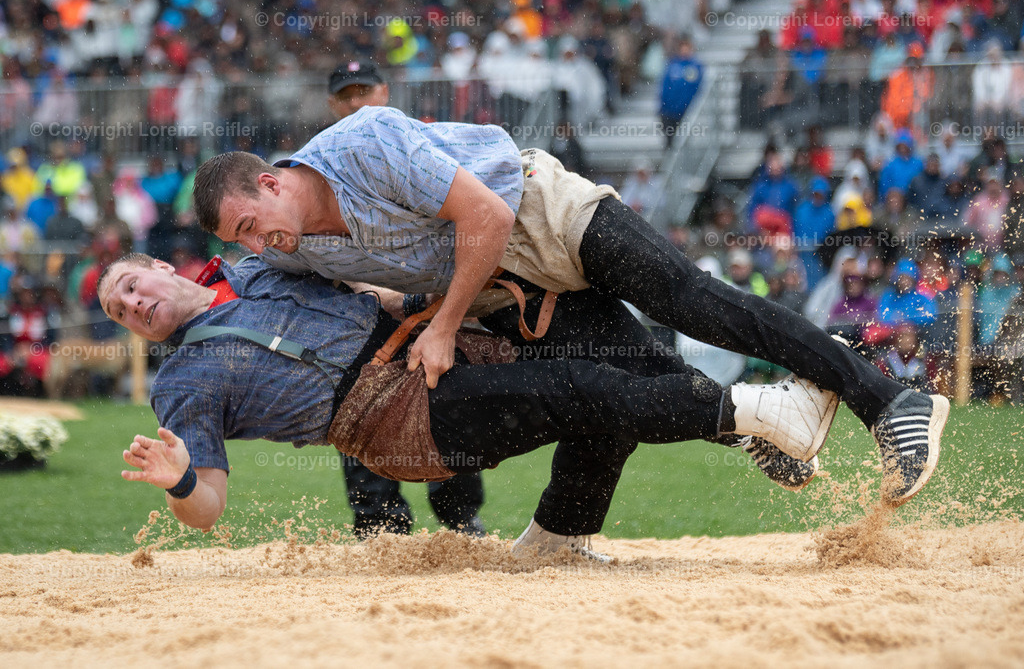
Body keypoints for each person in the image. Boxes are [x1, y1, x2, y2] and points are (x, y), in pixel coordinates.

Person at [192, 105, 949, 506]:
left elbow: (484, 217)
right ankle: (757, 430)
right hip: (496, 280)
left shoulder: (362, 142)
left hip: (534, 209)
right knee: (637, 368)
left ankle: (891, 401)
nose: (260, 245)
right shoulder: (292, 247)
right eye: (243, 242)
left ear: (267, 181)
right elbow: (366, 281)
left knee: (699, 303)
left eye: (253, 226)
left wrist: (446, 326)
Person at [101, 254, 836, 560]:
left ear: (161, 267)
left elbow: (363, 277)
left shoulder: (252, 260)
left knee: (598, 340)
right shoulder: (184, 382)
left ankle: (559, 539)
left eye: (131, 285)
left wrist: (437, 302)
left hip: (432, 341)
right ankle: (760, 411)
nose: (133, 304)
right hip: (388, 416)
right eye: (121, 310)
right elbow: (210, 507)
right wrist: (178, 481)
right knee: (576, 390)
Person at [324, 59, 488, 537]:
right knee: (363, 415)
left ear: (385, 92)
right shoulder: (318, 165)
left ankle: (460, 520)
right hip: (364, 312)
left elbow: (464, 217)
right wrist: (371, 291)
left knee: (450, 410)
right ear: (332, 104)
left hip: (433, 302)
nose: (356, 101)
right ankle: (378, 529)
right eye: (346, 93)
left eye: (364, 90)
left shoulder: (423, 142)